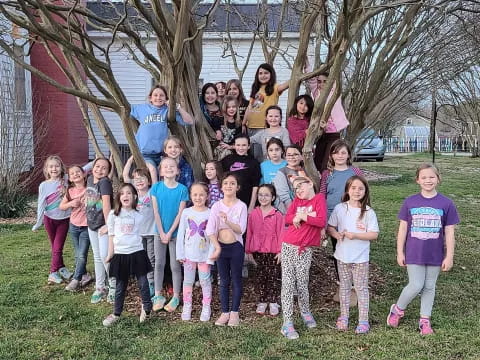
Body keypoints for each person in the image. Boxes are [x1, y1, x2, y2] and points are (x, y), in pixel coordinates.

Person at [387, 163, 459, 335]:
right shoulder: (410, 202)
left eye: (432, 177)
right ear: (417, 180)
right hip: (414, 252)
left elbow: (449, 232)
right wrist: (400, 252)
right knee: (416, 284)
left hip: (435, 253)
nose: (428, 180)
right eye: (424, 177)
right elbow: (403, 229)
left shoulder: (446, 203)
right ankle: (397, 309)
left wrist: (449, 256)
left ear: (438, 179)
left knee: (429, 286)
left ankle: (424, 320)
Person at [327, 176, 379, 334]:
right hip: (342, 256)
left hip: (361, 259)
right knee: (344, 287)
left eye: (360, 188)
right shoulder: (340, 208)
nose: (357, 191)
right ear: (347, 190)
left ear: (365, 191)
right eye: (353, 188)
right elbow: (330, 227)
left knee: (361, 288)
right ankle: (344, 316)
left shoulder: (368, 212)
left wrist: (355, 235)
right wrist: (336, 235)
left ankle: (363, 320)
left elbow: (374, 234)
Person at [280, 176, 326, 339]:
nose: (298, 190)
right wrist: (295, 217)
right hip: (288, 246)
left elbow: (321, 221)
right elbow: (287, 219)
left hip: (305, 250)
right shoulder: (297, 202)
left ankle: (305, 311)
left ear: (310, 184)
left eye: (301, 186)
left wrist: (303, 217)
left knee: (302, 283)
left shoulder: (319, 199)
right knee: (288, 284)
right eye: (295, 188)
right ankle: (287, 323)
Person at [102, 183, 153, 327]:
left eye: (129, 193)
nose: (126, 195)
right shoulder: (113, 215)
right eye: (123, 193)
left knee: (143, 283)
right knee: (120, 286)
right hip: (120, 255)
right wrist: (110, 254)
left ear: (134, 196)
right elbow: (111, 235)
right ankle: (116, 313)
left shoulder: (139, 215)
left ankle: (147, 308)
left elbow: (142, 232)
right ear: (119, 197)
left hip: (137, 253)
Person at [206, 172, 248, 327]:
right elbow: (210, 229)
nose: (229, 186)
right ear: (221, 187)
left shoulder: (241, 206)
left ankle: (234, 312)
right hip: (221, 247)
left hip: (236, 247)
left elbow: (241, 230)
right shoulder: (216, 206)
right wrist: (217, 247)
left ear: (237, 187)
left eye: (232, 183)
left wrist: (227, 221)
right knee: (223, 280)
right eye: (225, 183)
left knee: (236, 279)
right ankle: (225, 312)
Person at [319, 139, 363, 283]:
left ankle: (354, 279)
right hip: (333, 218)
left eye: (343, 152)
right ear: (331, 155)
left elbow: (363, 192)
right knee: (338, 249)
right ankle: (342, 280)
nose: (339, 156)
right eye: (336, 153)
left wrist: (362, 214)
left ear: (349, 155)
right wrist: (324, 221)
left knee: (353, 247)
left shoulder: (355, 171)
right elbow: (322, 196)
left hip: (351, 216)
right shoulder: (327, 174)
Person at [131, 85, 194, 183]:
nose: (158, 98)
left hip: (162, 154)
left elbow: (190, 121)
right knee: (152, 171)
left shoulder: (167, 110)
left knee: (166, 173)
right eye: (155, 95)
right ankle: (155, 195)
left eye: (161, 95)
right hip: (145, 154)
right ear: (150, 98)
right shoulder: (142, 108)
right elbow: (123, 108)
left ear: (166, 99)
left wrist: (178, 107)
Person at [151, 157, 189, 312]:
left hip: (176, 233)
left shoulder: (182, 189)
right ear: (160, 171)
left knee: (175, 265)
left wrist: (170, 233)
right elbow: (156, 212)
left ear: (178, 170)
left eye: (172, 166)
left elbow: (180, 213)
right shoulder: (156, 188)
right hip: (158, 232)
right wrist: (162, 232)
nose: (169, 168)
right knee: (159, 264)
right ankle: (158, 294)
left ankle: (176, 297)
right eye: (165, 166)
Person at [176, 183, 214, 322]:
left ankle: (206, 306)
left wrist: (211, 256)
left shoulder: (210, 213)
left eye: (201, 194)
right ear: (191, 196)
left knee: (205, 281)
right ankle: (187, 305)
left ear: (207, 196)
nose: (198, 197)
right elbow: (180, 234)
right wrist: (180, 253)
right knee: (188, 281)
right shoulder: (186, 212)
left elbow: (212, 237)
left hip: (204, 256)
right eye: (195, 195)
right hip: (188, 255)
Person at [33, 155, 72, 284]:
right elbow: (41, 204)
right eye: (51, 166)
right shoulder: (44, 185)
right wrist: (38, 222)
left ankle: (57, 270)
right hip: (49, 219)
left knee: (58, 246)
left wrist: (96, 160)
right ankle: (55, 271)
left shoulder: (67, 179)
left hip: (64, 219)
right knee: (55, 246)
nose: (54, 169)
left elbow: (83, 170)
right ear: (47, 169)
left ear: (61, 167)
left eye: (57, 166)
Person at [246, 184, 284, 316]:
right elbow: (249, 233)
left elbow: (281, 234)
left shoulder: (277, 214)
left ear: (273, 197)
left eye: (266, 195)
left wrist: (280, 251)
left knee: (273, 276)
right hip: (257, 250)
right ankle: (262, 300)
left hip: (273, 251)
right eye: (260, 195)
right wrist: (248, 250)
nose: (263, 197)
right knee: (261, 276)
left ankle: (273, 301)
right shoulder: (253, 214)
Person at [305, 63, 349, 172]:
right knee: (318, 161)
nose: (322, 84)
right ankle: (318, 185)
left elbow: (335, 76)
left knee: (327, 162)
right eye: (319, 81)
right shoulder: (316, 94)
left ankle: (326, 184)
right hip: (321, 134)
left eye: (325, 81)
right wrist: (307, 64)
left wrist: (333, 61)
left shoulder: (334, 92)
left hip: (333, 133)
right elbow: (311, 80)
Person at [122, 160, 156, 296]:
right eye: (136, 179)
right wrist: (130, 159)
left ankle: (151, 282)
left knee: (151, 258)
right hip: (138, 234)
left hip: (152, 232)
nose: (139, 181)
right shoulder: (133, 195)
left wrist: (145, 159)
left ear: (148, 182)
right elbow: (125, 175)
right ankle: (143, 281)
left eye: (142, 178)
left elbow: (153, 171)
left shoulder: (152, 192)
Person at [85, 157, 116, 304]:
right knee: (97, 257)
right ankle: (100, 287)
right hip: (91, 224)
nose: (100, 170)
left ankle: (114, 286)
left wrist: (109, 226)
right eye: (97, 166)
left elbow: (106, 206)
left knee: (105, 256)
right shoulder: (90, 178)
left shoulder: (104, 183)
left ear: (108, 172)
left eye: (104, 168)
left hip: (103, 226)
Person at [244, 63, 289, 159]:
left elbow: (287, 84)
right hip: (250, 126)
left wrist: (302, 70)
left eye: (266, 73)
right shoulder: (255, 88)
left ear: (271, 74)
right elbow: (250, 107)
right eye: (260, 73)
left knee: (261, 156)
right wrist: (244, 123)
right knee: (252, 155)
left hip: (263, 127)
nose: (263, 75)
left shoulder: (274, 87)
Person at [59, 165, 92, 291]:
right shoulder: (70, 191)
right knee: (77, 254)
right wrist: (70, 203)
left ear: (84, 174)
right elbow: (62, 206)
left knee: (82, 254)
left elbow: (99, 205)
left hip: (86, 226)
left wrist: (91, 202)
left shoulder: (90, 188)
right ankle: (85, 275)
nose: (75, 174)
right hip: (73, 225)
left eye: (78, 172)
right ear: (70, 178)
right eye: (72, 173)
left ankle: (76, 279)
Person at [221, 135, 261, 213]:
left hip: (246, 201)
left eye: (244, 145)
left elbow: (255, 186)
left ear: (249, 146)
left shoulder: (254, 162)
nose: (241, 148)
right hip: (229, 202)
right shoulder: (227, 160)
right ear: (234, 146)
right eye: (238, 145)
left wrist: (251, 206)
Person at [272, 144, 305, 213]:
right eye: (289, 155)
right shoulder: (281, 172)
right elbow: (284, 198)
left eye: (295, 154)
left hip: (306, 210)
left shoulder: (306, 172)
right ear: (285, 157)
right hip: (289, 212)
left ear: (302, 157)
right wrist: (294, 214)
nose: (292, 157)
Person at [215, 96, 242, 160]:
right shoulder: (218, 119)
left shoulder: (238, 123)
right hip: (218, 149)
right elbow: (214, 126)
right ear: (224, 108)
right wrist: (218, 131)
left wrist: (230, 147)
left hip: (231, 150)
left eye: (233, 107)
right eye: (228, 107)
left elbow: (238, 140)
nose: (231, 109)